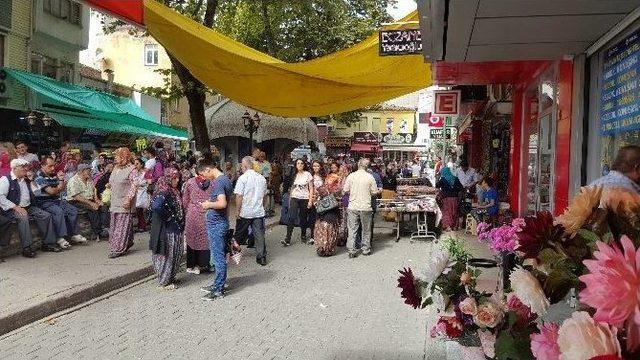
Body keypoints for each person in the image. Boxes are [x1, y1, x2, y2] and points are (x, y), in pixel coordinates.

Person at [0, 159, 59, 257]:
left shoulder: (26, 179)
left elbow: (36, 193)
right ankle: (27, 247)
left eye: (25, 167)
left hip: (28, 206)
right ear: (15, 168)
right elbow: (0, 197)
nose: (25, 169)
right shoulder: (5, 180)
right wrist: (15, 207)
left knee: (46, 215)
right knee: (23, 218)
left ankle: (48, 243)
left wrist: (32, 181)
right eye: (23, 167)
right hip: (12, 209)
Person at [33, 157, 86, 249]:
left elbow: (62, 188)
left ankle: (73, 234)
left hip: (56, 200)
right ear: (42, 166)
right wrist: (59, 186)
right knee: (58, 212)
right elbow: (52, 191)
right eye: (50, 166)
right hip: (44, 202)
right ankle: (60, 238)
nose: (53, 168)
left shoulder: (53, 175)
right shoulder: (38, 177)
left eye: (54, 165)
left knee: (72, 210)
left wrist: (60, 182)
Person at [200, 160, 234, 301]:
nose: (204, 178)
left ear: (208, 169)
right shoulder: (225, 179)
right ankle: (218, 283)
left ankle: (218, 288)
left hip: (217, 225)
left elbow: (222, 203)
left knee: (218, 258)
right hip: (220, 223)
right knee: (218, 256)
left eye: (203, 174)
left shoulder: (219, 182)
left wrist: (208, 204)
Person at [149, 168, 185, 290]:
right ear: (169, 178)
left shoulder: (172, 191)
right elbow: (157, 206)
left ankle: (169, 277)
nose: (177, 180)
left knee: (174, 254)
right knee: (167, 256)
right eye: (175, 178)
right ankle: (164, 282)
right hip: (167, 230)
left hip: (175, 229)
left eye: (178, 178)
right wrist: (168, 217)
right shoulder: (163, 192)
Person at [234, 156, 268, 266]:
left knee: (239, 234)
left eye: (241, 166)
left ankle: (232, 253)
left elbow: (239, 196)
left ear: (244, 166)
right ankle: (262, 257)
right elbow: (264, 196)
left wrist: (237, 211)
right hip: (258, 211)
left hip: (246, 211)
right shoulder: (262, 178)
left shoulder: (242, 178)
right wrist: (262, 206)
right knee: (259, 234)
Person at [343, 158, 380, 258]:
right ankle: (365, 249)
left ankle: (351, 250)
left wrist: (353, 192)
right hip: (365, 207)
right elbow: (374, 192)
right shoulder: (370, 177)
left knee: (352, 229)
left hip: (353, 206)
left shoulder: (351, 176)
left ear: (358, 164)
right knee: (366, 230)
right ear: (367, 166)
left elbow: (345, 190)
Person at [182, 163, 214, 274]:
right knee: (206, 239)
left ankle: (192, 265)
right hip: (207, 213)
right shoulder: (212, 183)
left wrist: (187, 211)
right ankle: (207, 264)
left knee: (192, 239)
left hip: (193, 214)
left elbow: (185, 200)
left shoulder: (189, 182)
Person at [66, 163, 109, 241]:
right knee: (93, 208)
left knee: (104, 207)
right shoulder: (73, 180)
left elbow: (94, 190)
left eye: (90, 170)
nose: (90, 172)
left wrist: (97, 200)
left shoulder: (89, 179)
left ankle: (103, 228)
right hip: (76, 201)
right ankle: (97, 232)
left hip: (89, 199)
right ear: (81, 172)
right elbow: (76, 196)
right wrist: (91, 203)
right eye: (88, 170)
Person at [107, 147, 137, 258]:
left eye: (117, 156)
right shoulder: (116, 168)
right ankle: (128, 242)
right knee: (117, 224)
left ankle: (118, 248)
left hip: (125, 201)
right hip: (115, 199)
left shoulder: (132, 169)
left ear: (124, 157)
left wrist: (128, 199)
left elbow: (134, 185)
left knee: (121, 224)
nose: (115, 158)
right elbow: (112, 180)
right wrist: (109, 185)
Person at [282, 158, 314, 246]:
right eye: (298, 163)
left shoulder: (308, 174)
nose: (300, 165)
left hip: (305, 198)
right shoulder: (294, 175)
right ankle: (287, 239)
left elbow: (311, 188)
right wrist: (289, 200)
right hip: (294, 198)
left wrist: (310, 201)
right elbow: (291, 188)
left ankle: (303, 235)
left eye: (301, 163)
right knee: (291, 217)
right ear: (295, 165)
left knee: (303, 218)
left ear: (304, 165)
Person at [436, 167, 464, 231]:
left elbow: (437, 185)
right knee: (454, 212)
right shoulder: (455, 178)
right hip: (455, 198)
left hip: (446, 199)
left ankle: (448, 226)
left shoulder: (443, 179)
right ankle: (454, 226)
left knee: (446, 212)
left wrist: (438, 178)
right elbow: (461, 188)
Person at [307, 160, 325, 246]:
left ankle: (321, 235)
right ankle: (312, 236)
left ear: (320, 166)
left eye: (317, 166)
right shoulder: (310, 176)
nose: (315, 168)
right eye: (314, 166)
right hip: (312, 199)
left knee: (321, 218)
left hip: (322, 200)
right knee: (312, 218)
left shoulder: (324, 176)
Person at [133, 158, 149, 232]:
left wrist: (139, 184)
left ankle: (143, 225)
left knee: (142, 209)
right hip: (137, 193)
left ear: (141, 164)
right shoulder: (135, 173)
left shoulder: (145, 173)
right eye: (135, 164)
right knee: (138, 210)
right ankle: (141, 224)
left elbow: (147, 182)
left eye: (137, 164)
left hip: (143, 193)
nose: (135, 165)